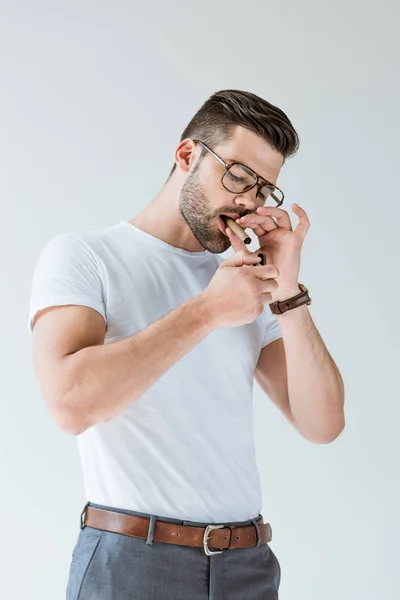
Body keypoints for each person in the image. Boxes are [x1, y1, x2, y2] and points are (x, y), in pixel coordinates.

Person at [28, 89, 345, 599]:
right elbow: (70, 404)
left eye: (263, 190)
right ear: (187, 155)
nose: (248, 201)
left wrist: (286, 289)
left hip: (248, 566)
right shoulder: (86, 257)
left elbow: (323, 423)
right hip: (133, 562)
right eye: (239, 176)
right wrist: (206, 312)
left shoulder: (244, 280)